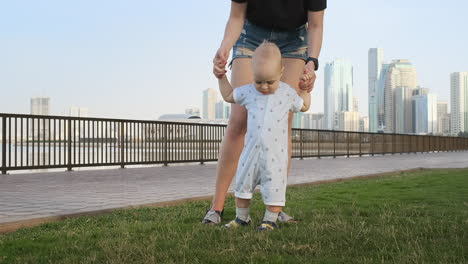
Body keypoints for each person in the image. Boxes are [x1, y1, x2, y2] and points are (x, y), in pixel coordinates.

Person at [203, 0, 326, 225]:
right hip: (250, 35)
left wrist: (312, 62)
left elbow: (315, 25)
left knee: (283, 120)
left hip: (293, 41)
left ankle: (275, 209)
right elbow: (237, 16)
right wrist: (225, 46)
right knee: (239, 119)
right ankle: (216, 208)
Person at [217, 41, 311, 230]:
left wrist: (304, 89)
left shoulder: (287, 93)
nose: (264, 86)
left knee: (275, 188)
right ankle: (242, 218)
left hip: (275, 156)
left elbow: (304, 106)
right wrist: (221, 77)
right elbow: (228, 95)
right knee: (242, 186)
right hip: (250, 153)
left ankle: (270, 220)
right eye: (259, 81)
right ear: (253, 73)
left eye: (270, 82)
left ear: (280, 72)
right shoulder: (249, 91)